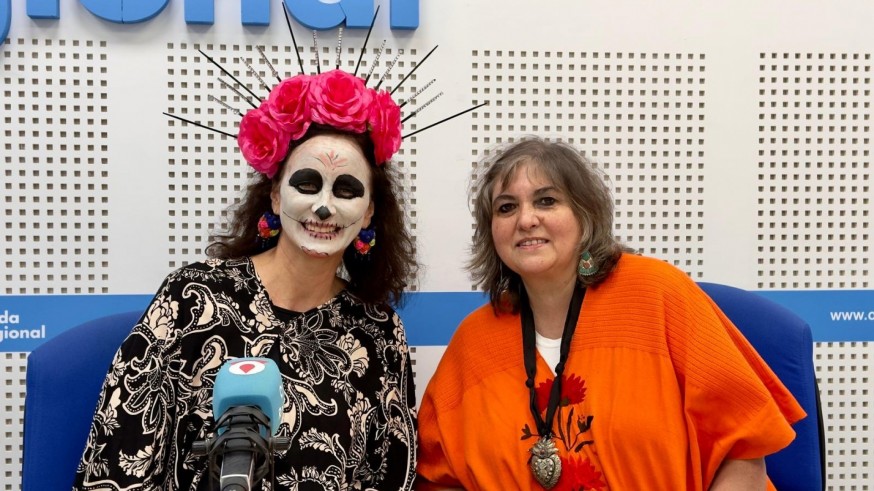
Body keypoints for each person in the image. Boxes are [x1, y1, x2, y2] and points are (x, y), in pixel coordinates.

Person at [73, 68, 419, 490]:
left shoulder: (379, 334)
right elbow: (116, 466)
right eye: (307, 184)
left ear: (368, 212)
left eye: (346, 190)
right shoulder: (191, 298)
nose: (324, 208)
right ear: (275, 194)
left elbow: (392, 476)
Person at [416, 137, 806, 490]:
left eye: (547, 200)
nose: (526, 219)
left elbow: (744, 454)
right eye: (506, 207)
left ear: (585, 217)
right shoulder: (474, 339)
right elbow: (439, 478)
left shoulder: (658, 293)